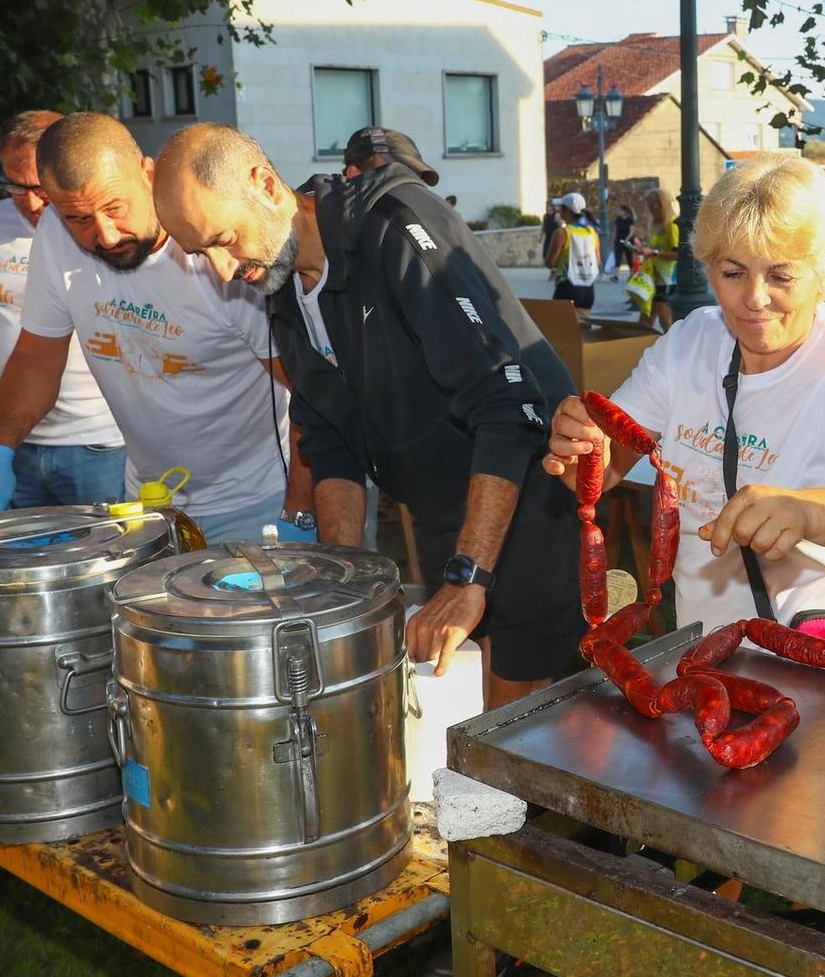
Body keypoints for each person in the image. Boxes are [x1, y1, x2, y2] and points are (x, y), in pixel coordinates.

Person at [152, 121, 583, 711]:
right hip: (441, 509)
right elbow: (330, 438)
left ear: (266, 186)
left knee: (509, 722)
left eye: (225, 240)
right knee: (451, 707)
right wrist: (340, 583)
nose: (225, 271)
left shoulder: (396, 228)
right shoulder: (280, 274)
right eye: (204, 254)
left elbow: (507, 406)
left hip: (524, 489)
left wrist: (467, 578)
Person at [543, 156, 825, 679]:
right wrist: (578, 447)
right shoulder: (689, 345)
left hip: (815, 669)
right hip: (704, 656)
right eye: (732, 273)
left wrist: (807, 512)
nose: (754, 299)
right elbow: (596, 475)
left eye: (781, 275)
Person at [0, 113, 309, 543]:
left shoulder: (216, 250)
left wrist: (300, 509)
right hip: (149, 503)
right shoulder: (55, 232)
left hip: (259, 500)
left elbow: (306, 390)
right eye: (78, 219)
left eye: (114, 208)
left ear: (147, 173)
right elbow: (37, 354)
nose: (104, 234)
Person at [0, 111, 126, 514]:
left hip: (98, 444)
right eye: (16, 187)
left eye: (40, 186)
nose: (33, 202)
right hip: (7, 443)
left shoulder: (106, 234)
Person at [632, 186, 680, 330]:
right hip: (652, 279)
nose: (651, 210)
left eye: (654, 206)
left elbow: (678, 255)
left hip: (667, 280)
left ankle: (674, 351)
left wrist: (654, 253)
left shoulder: (672, 225)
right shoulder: (655, 225)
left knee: (666, 323)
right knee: (644, 322)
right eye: (649, 206)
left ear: (663, 204)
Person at [546, 191, 601, 311]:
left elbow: (550, 263)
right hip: (588, 289)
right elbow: (598, 261)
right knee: (584, 328)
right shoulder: (592, 233)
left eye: (561, 208)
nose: (559, 211)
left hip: (567, 286)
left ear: (568, 211)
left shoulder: (562, 233)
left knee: (561, 328)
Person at [611, 201, 636, 278]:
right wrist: (613, 241)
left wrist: (626, 239)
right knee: (618, 258)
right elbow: (615, 231)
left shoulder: (630, 220)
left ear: (625, 211)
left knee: (629, 258)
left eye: (620, 210)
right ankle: (615, 276)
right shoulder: (618, 220)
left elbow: (632, 231)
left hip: (628, 241)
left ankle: (632, 274)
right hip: (618, 241)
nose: (618, 212)